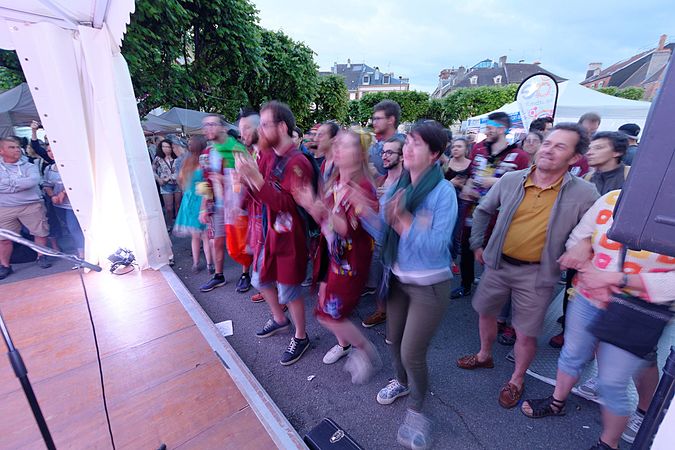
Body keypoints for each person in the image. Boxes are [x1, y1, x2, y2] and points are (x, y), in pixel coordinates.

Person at [456, 123, 599, 410]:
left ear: (574, 158)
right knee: (485, 312)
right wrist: (477, 245)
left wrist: (586, 244)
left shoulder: (585, 193)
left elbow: (598, 229)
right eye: (548, 143)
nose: (548, 148)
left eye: (560, 146)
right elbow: (483, 211)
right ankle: (485, 355)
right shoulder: (511, 180)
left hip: (537, 274)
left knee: (525, 331)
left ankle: (517, 379)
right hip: (497, 265)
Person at [521, 190, 675, 449]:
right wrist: (587, 264)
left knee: (612, 380)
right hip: (589, 294)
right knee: (572, 354)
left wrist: (616, 280)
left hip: (638, 308)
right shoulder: (613, 198)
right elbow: (577, 238)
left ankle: (609, 443)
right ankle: (557, 401)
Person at [355, 120, 457, 449]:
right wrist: (364, 212)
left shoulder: (444, 193)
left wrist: (406, 221)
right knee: (392, 341)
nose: (407, 148)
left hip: (430, 285)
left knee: (412, 352)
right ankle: (400, 382)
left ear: (435, 154)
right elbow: (384, 233)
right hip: (399, 280)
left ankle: (416, 408)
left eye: (415, 143)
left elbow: (436, 246)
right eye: (407, 142)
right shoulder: (401, 189)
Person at [295, 129, 382, 382]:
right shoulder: (335, 179)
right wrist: (312, 206)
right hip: (334, 255)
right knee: (325, 307)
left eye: (346, 146)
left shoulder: (362, 185)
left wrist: (317, 207)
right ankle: (347, 346)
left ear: (360, 153)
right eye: (338, 145)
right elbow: (327, 223)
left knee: (327, 314)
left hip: (350, 262)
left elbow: (348, 228)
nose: (339, 149)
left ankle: (364, 349)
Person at [236, 101, 313, 366]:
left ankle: (301, 336)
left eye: (265, 124)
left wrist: (253, 179)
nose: (260, 130)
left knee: (289, 289)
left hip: (289, 237)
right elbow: (261, 194)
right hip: (271, 233)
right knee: (262, 278)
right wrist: (246, 179)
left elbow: (286, 204)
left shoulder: (298, 161)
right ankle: (280, 320)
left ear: (281, 127)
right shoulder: (269, 155)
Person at [452, 112, 530, 301]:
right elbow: (470, 175)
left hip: (499, 215)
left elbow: (523, 184)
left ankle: (492, 291)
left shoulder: (519, 156)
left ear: (502, 129)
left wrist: (496, 183)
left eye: (490, 128)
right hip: (473, 210)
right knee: (468, 248)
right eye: (486, 127)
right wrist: (468, 187)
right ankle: (466, 284)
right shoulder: (479, 149)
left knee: (493, 252)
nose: (486, 131)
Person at [362, 135, 405, 328]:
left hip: (400, 245)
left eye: (390, 152)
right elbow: (375, 211)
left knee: (398, 286)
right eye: (383, 152)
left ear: (403, 156)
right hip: (379, 241)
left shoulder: (409, 184)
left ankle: (399, 322)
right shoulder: (381, 180)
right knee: (380, 280)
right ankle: (381, 311)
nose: (384, 156)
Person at [0, 137, 52, 279]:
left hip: (31, 205)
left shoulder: (29, 165)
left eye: (17, 147)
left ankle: (41, 256)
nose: (17, 149)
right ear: (1, 150)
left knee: (39, 232)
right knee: (4, 239)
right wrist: (19, 184)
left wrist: (7, 185)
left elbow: (32, 181)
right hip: (5, 208)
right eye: (11, 147)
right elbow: (23, 183)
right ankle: (5, 265)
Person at [173, 135, 213, 273]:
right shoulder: (204, 161)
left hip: (188, 200)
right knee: (205, 236)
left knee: (195, 236)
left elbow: (180, 180)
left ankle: (196, 264)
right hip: (200, 199)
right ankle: (209, 264)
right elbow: (206, 184)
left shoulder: (186, 162)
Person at [42, 145, 85, 259]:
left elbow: (77, 182)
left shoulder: (72, 166)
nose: (51, 153)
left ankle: (82, 255)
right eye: (48, 151)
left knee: (73, 227)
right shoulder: (49, 169)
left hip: (73, 204)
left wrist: (63, 193)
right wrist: (53, 195)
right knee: (70, 228)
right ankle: (82, 250)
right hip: (59, 205)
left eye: (53, 150)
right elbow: (47, 185)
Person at [368, 100, 404, 176]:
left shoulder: (405, 145)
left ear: (391, 120)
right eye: (373, 119)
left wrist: (376, 175)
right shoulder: (374, 146)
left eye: (378, 119)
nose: (374, 123)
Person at [153, 139, 181, 231]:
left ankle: (178, 224)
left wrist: (170, 177)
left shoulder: (177, 157)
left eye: (168, 147)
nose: (166, 149)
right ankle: (169, 225)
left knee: (178, 205)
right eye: (163, 146)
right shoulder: (158, 158)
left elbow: (181, 171)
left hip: (177, 184)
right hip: (165, 185)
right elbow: (152, 170)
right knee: (168, 208)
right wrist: (158, 179)